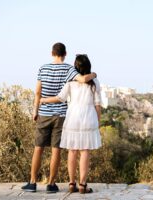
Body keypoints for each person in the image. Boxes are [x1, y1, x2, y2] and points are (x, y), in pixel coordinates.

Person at [21, 43, 96, 193]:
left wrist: (35, 110)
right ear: (65, 53)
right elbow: (82, 80)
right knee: (56, 150)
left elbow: (37, 92)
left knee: (38, 148)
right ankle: (51, 184)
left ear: (52, 53)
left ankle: (32, 182)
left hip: (44, 113)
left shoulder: (43, 68)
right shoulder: (69, 69)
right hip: (61, 114)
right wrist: (94, 74)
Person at [40, 54, 102, 194]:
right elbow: (98, 104)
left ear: (76, 66)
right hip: (88, 117)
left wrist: (43, 100)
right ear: (88, 65)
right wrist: (98, 121)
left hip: (73, 117)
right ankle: (83, 185)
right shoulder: (94, 81)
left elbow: (60, 98)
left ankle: (71, 183)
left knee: (72, 150)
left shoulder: (70, 81)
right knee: (85, 150)